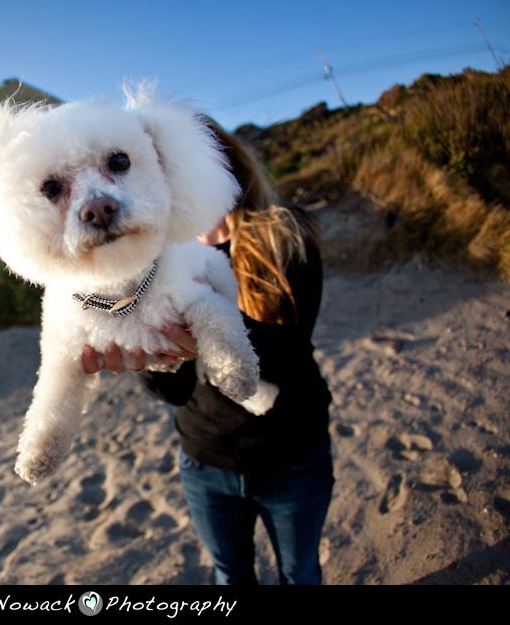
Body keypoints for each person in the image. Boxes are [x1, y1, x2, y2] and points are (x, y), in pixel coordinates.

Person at [81, 120, 333, 585]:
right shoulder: (156, 263)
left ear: (224, 162)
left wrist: (205, 322)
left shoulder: (284, 234)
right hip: (204, 460)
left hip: (292, 453)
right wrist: (148, 348)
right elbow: (172, 391)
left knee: (300, 574)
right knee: (228, 575)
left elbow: (289, 353)